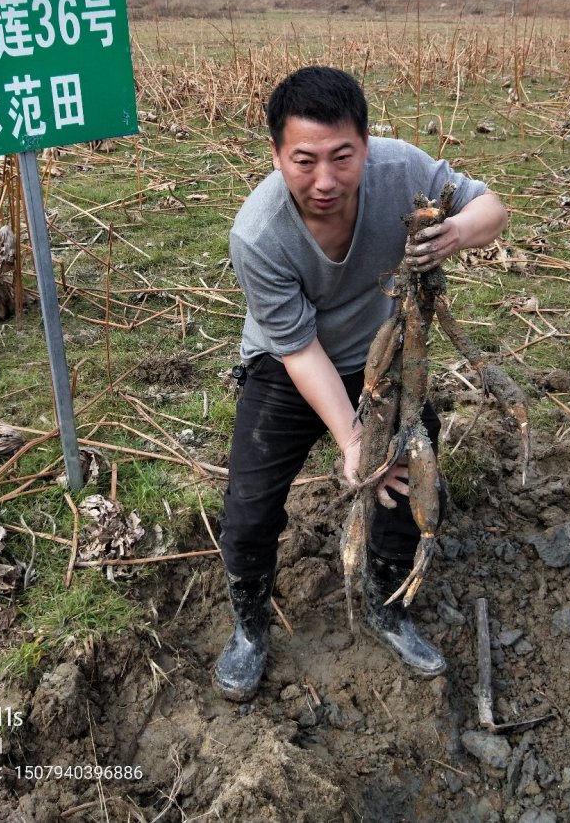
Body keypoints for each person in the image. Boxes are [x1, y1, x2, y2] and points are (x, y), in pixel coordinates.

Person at [215, 66, 507, 701]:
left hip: (386, 356)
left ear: (366, 145)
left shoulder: (402, 170)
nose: (325, 181)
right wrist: (351, 439)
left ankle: (386, 604)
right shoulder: (257, 234)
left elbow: (491, 206)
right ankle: (249, 624)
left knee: (407, 478)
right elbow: (297, 348)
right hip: (289, 364)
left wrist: (454, 232)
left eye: (342, 157)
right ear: (275, 154)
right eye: (304, 160)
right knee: (249, 504)